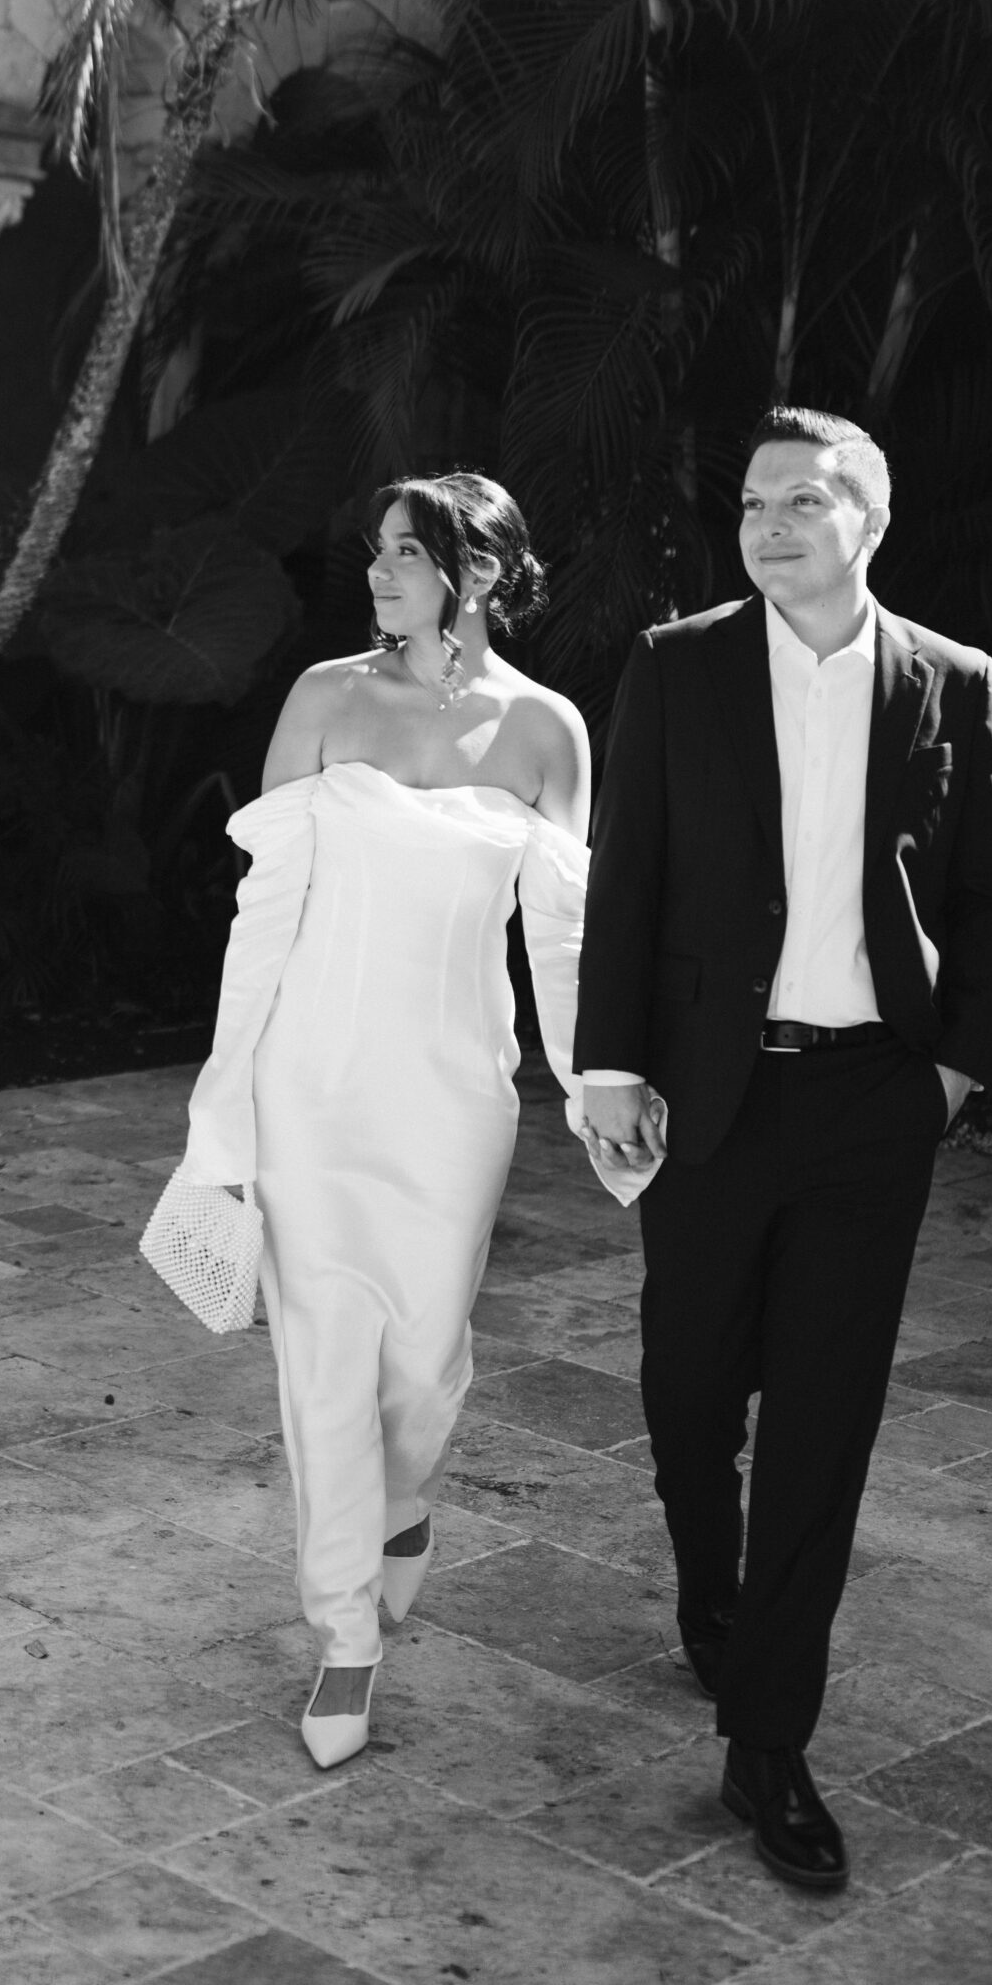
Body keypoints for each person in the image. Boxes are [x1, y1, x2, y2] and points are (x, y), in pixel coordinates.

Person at [574, 405, 992, 1895]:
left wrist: (952, 1071)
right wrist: (612, 1063)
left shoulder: (954, 683)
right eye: (754, 501)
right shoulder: (676, 664)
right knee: (688, 1390)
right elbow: (625, 872)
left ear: (868, 521)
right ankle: (715, 1592)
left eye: (802, 500)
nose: (767, 524)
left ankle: (769, 1739)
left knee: (825, 1425)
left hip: (868, 1111)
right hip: (711, 1099)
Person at [176, 472, 594, 1769]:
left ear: (475, 576)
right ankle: (344, 1633)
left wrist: (590, 1087)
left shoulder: (547, 733)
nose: (377, 574)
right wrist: (223, 1113)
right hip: (312, 1088)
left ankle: (407, 1497)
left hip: (455, 1099)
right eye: (376, 553)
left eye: (406, 555)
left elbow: (565, 943)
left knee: (422, 1360)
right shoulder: (321, 700)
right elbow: (263, 924)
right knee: (321, 1364)